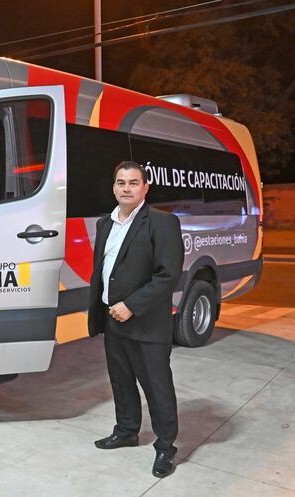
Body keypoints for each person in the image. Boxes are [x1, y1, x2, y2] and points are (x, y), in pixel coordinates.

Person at [87, 161, 184, 478]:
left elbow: (168, 275)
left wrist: (131, 305)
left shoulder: (162, 222)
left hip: (146, 323)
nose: (126, 188)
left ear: (145, 187)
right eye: (121, 182)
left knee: (157, 386)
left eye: (133, 183)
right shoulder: (106, 223)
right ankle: (127, 431)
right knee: (121, 380)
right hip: (112, 318)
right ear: (113, 187)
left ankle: (166, 446)